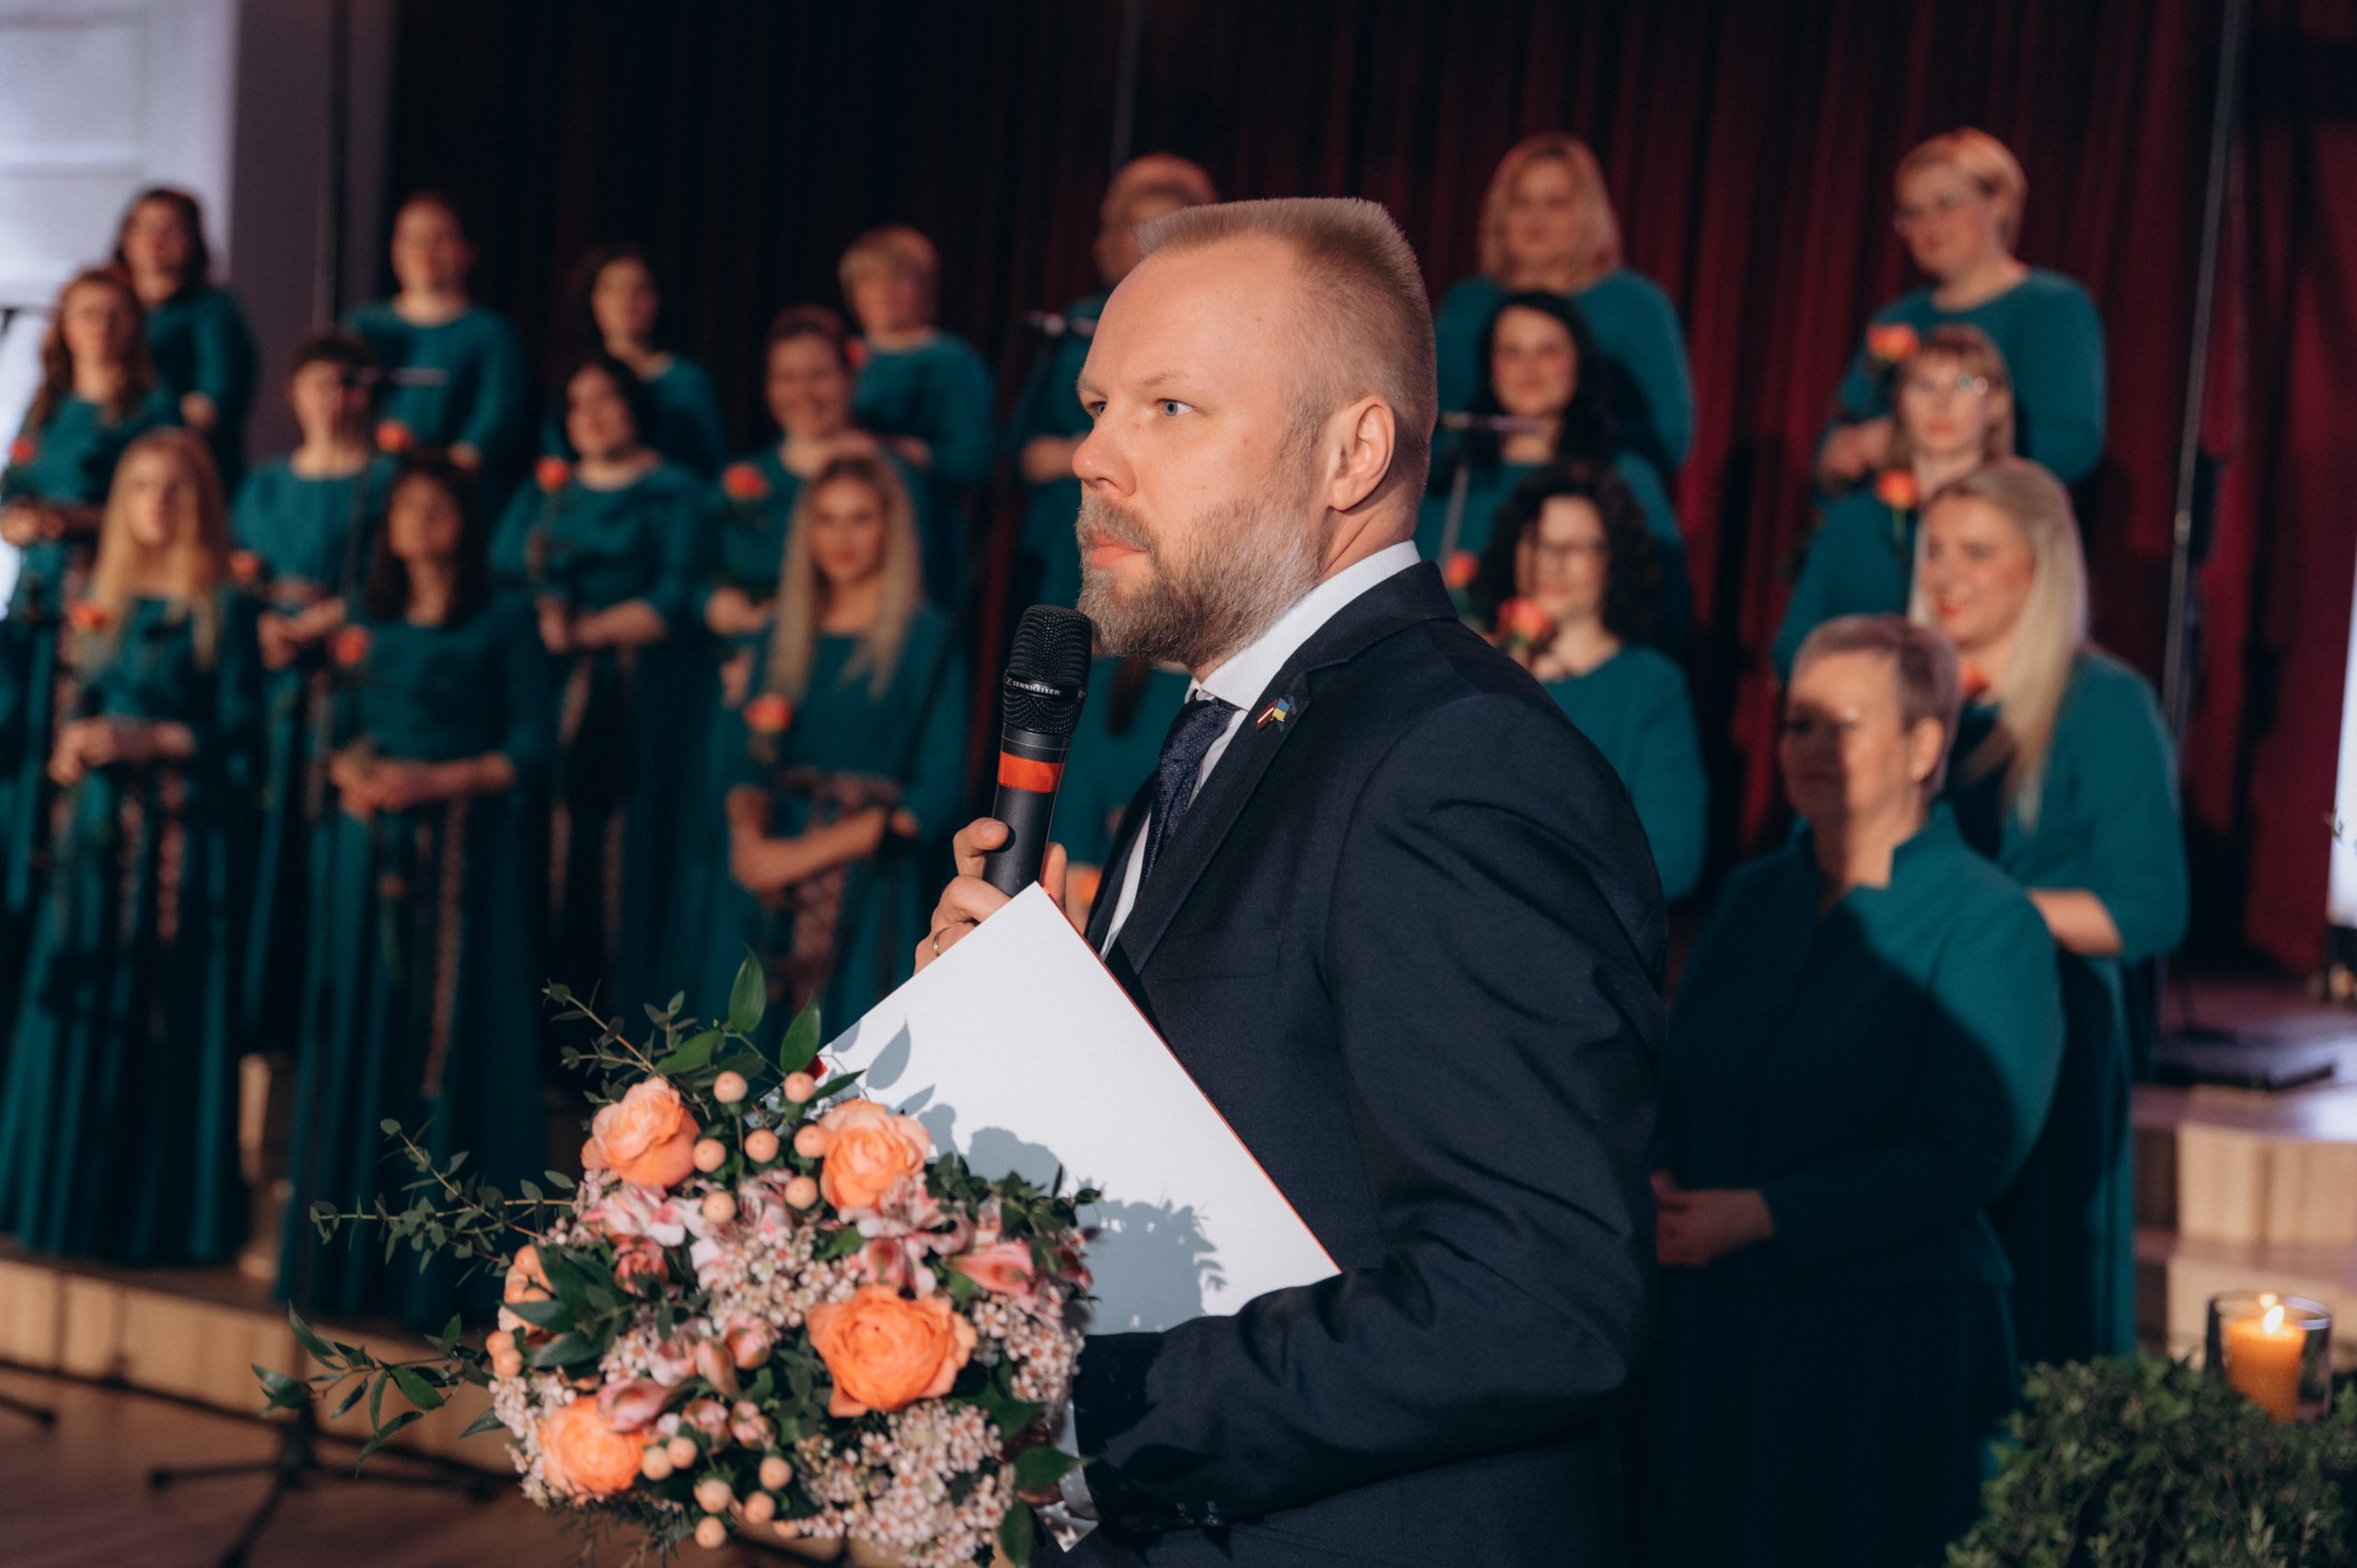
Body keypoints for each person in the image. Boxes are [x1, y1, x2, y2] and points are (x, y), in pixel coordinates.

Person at [922, 198, 1660, 1564]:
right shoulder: (1226, 735)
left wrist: (1087, 1412)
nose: (1091, 455)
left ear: (1351, 453)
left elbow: (1531, 1296)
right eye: (1096, 406)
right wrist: (1026, 1031)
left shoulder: (1453, 757)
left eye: (1170, 407)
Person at [1651, 614, 2062, 1568]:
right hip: (1720, 1325)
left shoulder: (1991, 920)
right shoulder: (1754, 896)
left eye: (1843, 724)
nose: (1809, 747)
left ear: (1923, 747)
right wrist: (1658, 1173)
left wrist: (1762, 1214)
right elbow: (1675, 1073)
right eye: (1798, 723)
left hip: (1886, 1345)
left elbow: (1968, 1153)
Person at [1914, 459, 2188, 1365]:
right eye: (1935, 549)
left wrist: (1974, 911)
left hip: (2043, 1025)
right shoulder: (1911, 695)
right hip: (1918, 1010)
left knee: (2030, 1297)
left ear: (2040, 567)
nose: (1947, 574)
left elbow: (2147, 909)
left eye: (1977, 552)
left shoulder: (2102, 702)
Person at [278, 455, 550, 1328]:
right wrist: (354, 775)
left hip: (465, 854)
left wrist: (440, 779)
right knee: (362, 1034)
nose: (423, 519)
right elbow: (334, 734)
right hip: (367, 856)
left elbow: (534, 743)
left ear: (467, 519)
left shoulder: (504, 616)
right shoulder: (366, 616)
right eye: (408, 506)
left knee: (449, 1044)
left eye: (440, 505)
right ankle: (345, 1272)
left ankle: (440, 1283)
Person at [0, 429, 260, 1264]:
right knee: (75, 999)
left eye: (175, 487)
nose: (157, 502)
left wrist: (152, 739)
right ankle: (56, 1200)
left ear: (200, 502)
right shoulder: (95, 592)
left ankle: (145, 1218)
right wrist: (72, 749)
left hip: (179, 840)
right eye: (142, 485)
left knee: (159, 1009)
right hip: (95, 834)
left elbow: (243, 738)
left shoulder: (222, 603)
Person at [492, 353, 714, 1026]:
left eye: (606, 399)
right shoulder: (546, 490)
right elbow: (503, 571)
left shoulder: (672, 490)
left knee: (625, 858)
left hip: (641, 693)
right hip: (547, 689)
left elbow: (680, 593)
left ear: (634, 407)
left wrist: (585, 630)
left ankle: (628, 1029)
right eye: (577, 403)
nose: (590, 415)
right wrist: (545, 616)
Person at [710, 453, 964, 1029]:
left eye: (860, 519)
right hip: (770, 874)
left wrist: (800, 856)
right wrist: (749, 844)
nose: (841, 538)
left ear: (890, 528)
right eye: (825, 519)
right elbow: (741, 760)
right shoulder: (781, 631)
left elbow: (936, 793)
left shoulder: (926, 638)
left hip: (867, 887)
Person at [0, 266, 179, 1017]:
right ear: (63, 326)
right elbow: (11, 492)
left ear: (132, 325)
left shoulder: (150, 408)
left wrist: (73, 521)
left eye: (113, 314)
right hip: (38, 605)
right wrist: (20, 521)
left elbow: (165, 506)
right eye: (85, 314)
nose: (99, 328)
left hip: (109, 599)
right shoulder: (46, 405)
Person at [232, 331, 397, 1051]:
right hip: (270, 684)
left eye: (348, 384)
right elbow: (234, 569)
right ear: (294, 393)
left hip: (349, 682)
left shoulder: (386, 481)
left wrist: (329, 618)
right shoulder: (266, 482)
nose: (334, 399)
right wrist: (264, 620)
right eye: (320, 383)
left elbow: (398, 578)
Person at [1818, 129, 2104, 491]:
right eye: (1913, 212)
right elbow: (1840, 431)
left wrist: (1915, 446)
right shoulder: (1896, 319)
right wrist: (1840, 453)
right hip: (1886, 516)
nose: (1928, 223)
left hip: (1992, 512)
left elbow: (2071, 442)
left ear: (1999, 202)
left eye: (1947, 201)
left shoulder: (2050, 306)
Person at [1475, 461, 1706, 900]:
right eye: (1538, 541)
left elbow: (1674, 859)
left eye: (1576, 547)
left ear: (1612, 557)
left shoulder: (1650, 687)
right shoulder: (1472, 661)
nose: (1552, 561)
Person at [1417, 289, 1691, 648]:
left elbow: (1665, 610)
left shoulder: (1625, 476)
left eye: (1547, 351)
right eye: (1512, 352)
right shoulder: (1451, 472)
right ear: (1490, 366)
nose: (1529, 367)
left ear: (1579, 361)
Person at [1006, 154, 1218, 613]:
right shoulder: (1077, 325)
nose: (1150, 245)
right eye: (1137, 230)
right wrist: (1074, 455)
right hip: (1064, 535)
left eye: (1168, 229)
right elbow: (1019, 452)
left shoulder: (1214, 331)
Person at [1434, 133, 1692, 482]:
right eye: (1521, 202)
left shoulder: (1636, 305)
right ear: (1499, 214)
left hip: (1592, 487)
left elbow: (1669, 433)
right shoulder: (1465, 304)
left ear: (1587, 214)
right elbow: (1430, 417)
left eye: (1555, 203)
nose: (1536, 218)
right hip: (1469, 486)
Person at [1774, 324, 2014, 678]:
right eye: (1924, 385)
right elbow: (1793, 648)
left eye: (1965, 384)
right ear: (1899, 402)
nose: (1942, 402)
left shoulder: (2015, 521)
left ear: (1997, 403)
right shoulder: (1856, 521)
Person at [839, 225, 994, 610]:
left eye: (898, 280)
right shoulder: (839, 355)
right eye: (870, 281)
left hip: (920, 525)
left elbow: (975, 459)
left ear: (924, 287)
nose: (884, 293)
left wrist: (893, 449)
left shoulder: (952, 361)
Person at [343, 192, 531, 503]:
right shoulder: (364, 327)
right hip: (372, 488)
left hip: (457, 495)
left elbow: (498, 414)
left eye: (440, 238)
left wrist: (449, 468)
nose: (425, 250)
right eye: (413, 239)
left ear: (468, 250)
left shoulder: (490, 334)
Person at [115, 186, 258, 490]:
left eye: (170, 229)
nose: (155, 239)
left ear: (193, 239)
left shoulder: (213, 310)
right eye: (144, 227)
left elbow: (210, 406)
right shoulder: (110, 306)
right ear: (126, 236)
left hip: (183, 471)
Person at [543, 244, 727, 474]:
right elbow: (556, 459)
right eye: (611, 289)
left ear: (659, 299)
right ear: (591, 300)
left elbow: (711, 461)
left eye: (640, 289)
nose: (626, 299)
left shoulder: (688, 381)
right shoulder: (577, 379)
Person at [1055, 654, 1190, 932]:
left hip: (1185, 900)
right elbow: (1075, 822)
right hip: (1105, 898)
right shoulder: (1103, 682)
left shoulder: (1231, 697)